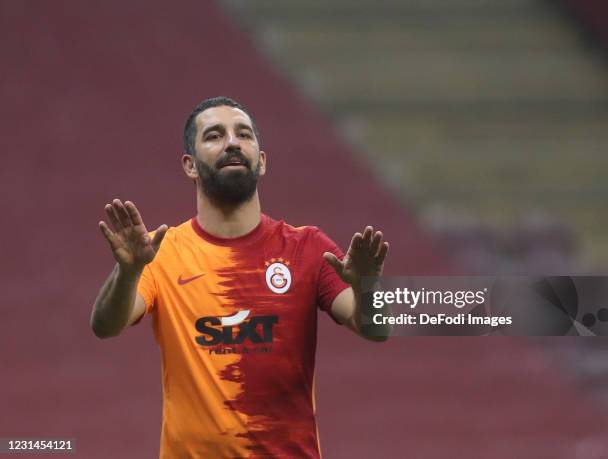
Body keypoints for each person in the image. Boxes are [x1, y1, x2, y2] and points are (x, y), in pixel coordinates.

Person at [90, 96, 390, 458]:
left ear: (261, 161)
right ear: (190, 165)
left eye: (243, 135)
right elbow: (106, 326)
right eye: (214, 136)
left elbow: (375, 329)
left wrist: (368, 287)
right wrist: (129, 270)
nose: (232, 143)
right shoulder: (163, 252)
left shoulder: (307, 248)